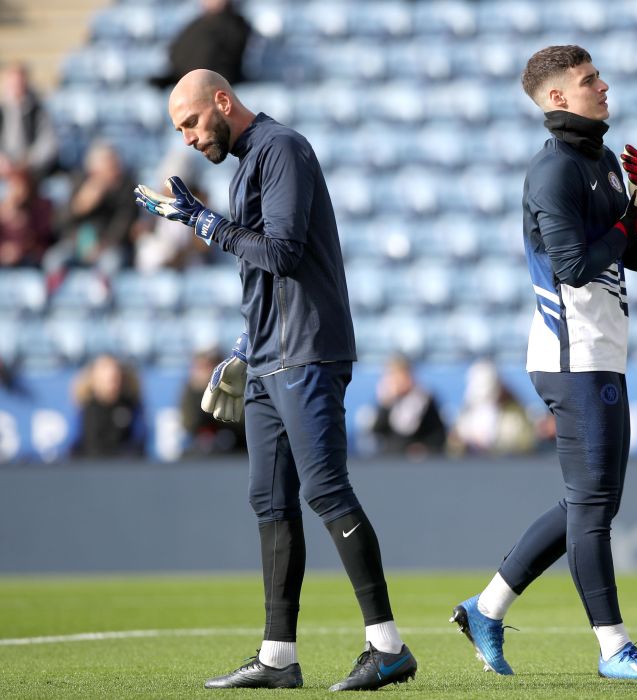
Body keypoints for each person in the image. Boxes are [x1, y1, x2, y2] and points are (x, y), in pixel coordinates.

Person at [134, 69, 416, 691]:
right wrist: (245, 344)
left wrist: (205, 224)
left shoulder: (281, 147)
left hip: (307, 350)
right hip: (269, 354)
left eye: (188, 122)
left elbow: (283, 253)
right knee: (269, 501)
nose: (185, 138)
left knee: (325, 491)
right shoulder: (248, 163)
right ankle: (279, 656)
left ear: (222, 102)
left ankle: (387, 646)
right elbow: (267, 273)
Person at [449, 46, 637, 682]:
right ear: (557, 99)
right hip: (572, 356)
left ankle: (486, 608)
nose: (603, 86)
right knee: (594, 506)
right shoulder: (551, 173)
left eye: (598, 75)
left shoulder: (601, 159)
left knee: (590, 504)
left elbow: (629, 260)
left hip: (600, 352)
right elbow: (574, 266)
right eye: (588, 80)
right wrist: (631, 221)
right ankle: (613, 648)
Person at [44, 141, 139, 284]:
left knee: (110, 262)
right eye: (109, 165)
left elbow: (123, 225)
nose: (114, 170)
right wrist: (79, 206)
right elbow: (58, 223)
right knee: (54, 258)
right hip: (76, 243)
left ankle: (101, 297)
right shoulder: (77, 182)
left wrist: (102, 245)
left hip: (108, 246)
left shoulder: (127, 188)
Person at [150, 0, 252, 89]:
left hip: (213, 82)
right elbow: (175, 53)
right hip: (185, 78)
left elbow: (228, 63)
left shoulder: (236, 25)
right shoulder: (197, 23)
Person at [447, 359, 537, 457]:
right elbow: (452, 447)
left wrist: (496, 445)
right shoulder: (466, 413)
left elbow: (527, 444)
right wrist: (461, 444)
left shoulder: (515, 414)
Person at [369, 353, 446, 458]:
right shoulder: (387, 401)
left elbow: (438, 435)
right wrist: (386, 403)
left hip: (418, 463)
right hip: (391, 461)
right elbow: (377, 431)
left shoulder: (424, 399)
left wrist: (424, 448)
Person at [71, 354, 146, 458]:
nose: (112, 382)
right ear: (94, 379)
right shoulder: (86, 408)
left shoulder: (131, 406)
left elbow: (138, 442)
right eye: (107, 378)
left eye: (115, 378)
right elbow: (81, 445)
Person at [179, 348, 246, 456]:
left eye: (211, 364)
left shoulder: (235, 385)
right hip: (202, 453)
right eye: (202, 366)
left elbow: (243, 422)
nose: (208, 370)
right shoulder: (191, 389)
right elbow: (189, 424)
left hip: (237, 450)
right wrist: (201, 392)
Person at [0, 63, 59, 179]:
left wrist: (28, 161)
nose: (16, 86)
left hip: (30, 171)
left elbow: (48, 145)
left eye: (19, 82)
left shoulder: (38, 110)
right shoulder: (2, 110)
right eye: (13, 83)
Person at [0, 164, 54, 267]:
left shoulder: (40, 209)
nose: (17, 191)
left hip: (30, 262)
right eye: (13, 186)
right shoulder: (3, 211)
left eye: (21, 186)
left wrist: (20, 249)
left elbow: (40, 238)